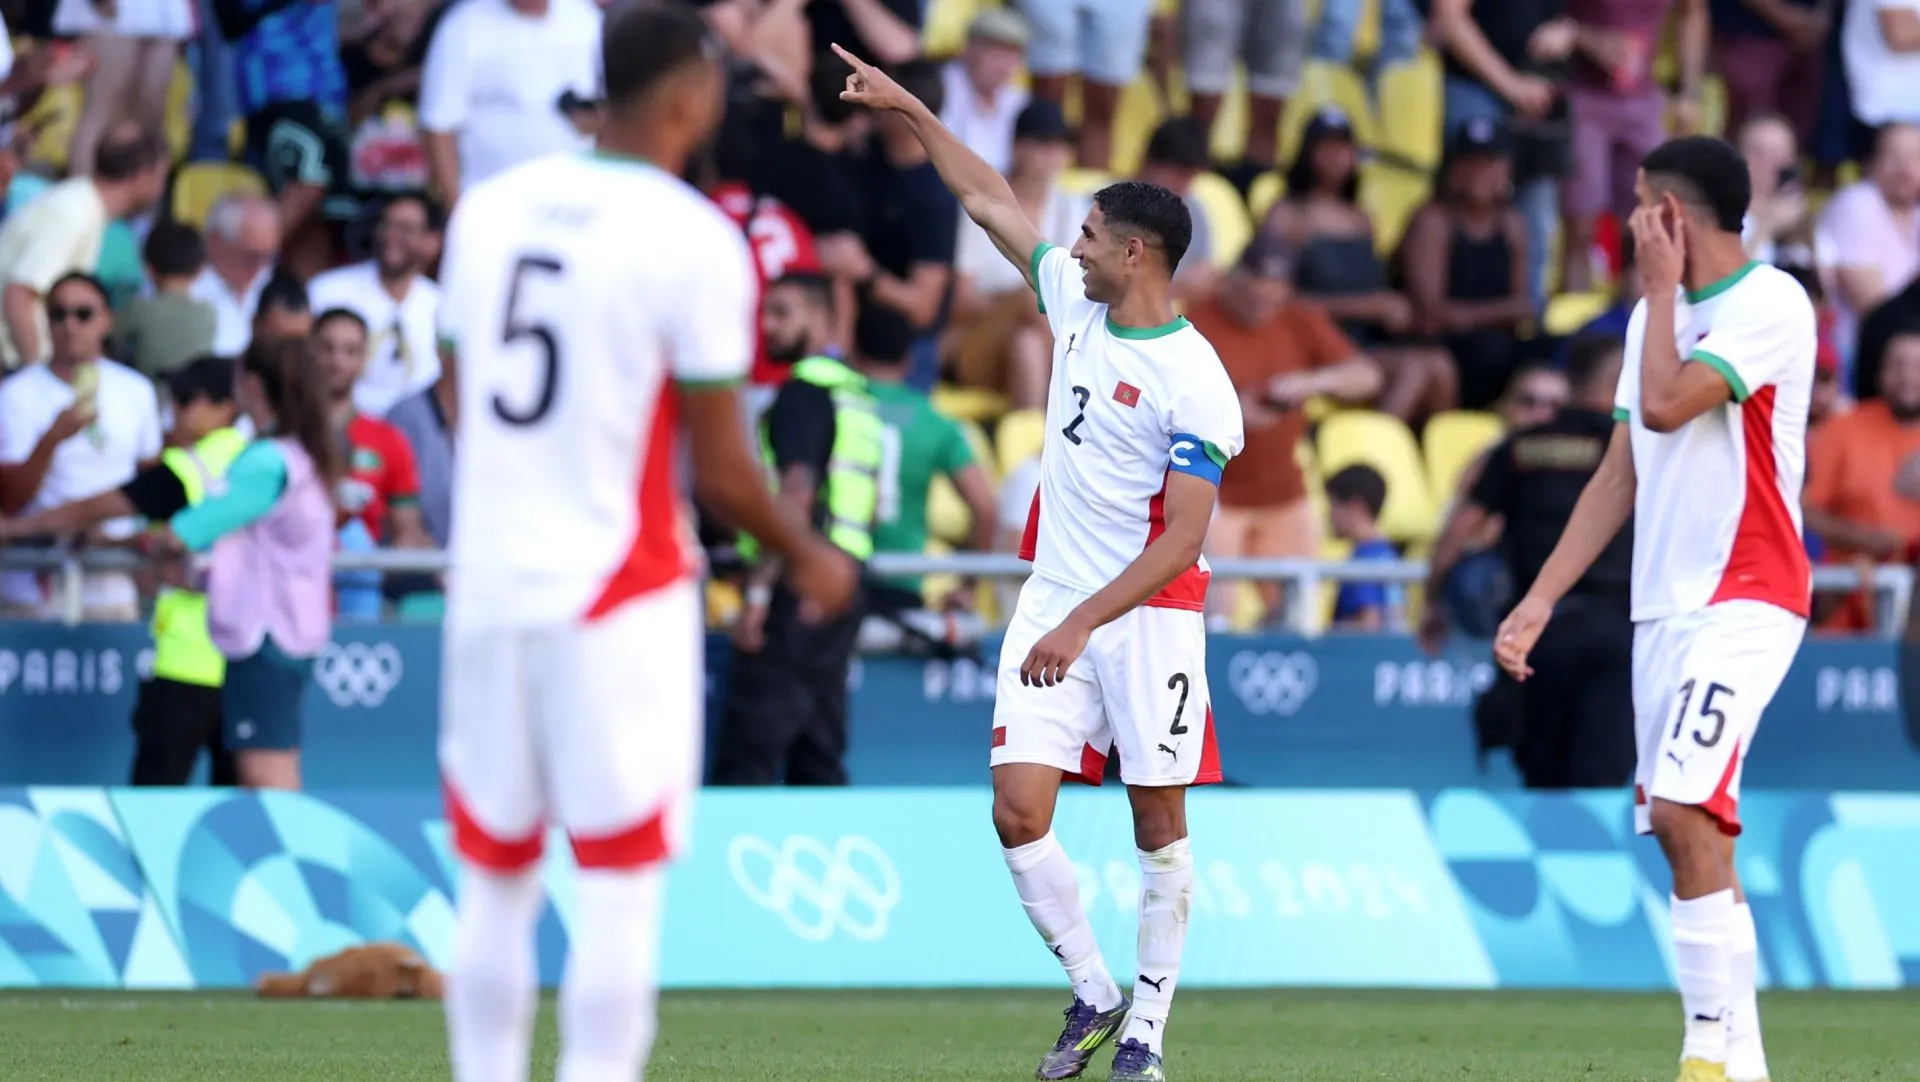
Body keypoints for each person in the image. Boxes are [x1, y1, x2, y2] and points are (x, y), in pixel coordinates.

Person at [431, 6, 857, 1082]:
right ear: (687, 96)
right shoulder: (692, 237)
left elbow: (455, 394)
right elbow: (719, 469)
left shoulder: (487, 210)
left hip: (488, 576)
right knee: (619, 875)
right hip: (616, 588)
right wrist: (809, 553)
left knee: (494, 869)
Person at [836, 42, 1246, 1082]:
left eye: (1094, 233)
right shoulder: (1073, 296)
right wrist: (913, 108)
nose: (1075, 242)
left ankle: (1148, 1032)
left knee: (1159, 820)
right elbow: (985, 196)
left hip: (1146, 619)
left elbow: (1184, 539)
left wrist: (1082, 626)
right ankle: (1094, 988)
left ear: (1141, 255)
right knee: (1017, 809)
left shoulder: (1197, 380)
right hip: (1053, 597)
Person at [1495, 136, 1813, 1082]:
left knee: (1681, 808)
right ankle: (1745, 1068)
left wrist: (1663, 293)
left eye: (1639, 204)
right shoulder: (1649, 321)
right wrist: (1539, 599)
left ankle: (1703, 1054)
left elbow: (1675, 408)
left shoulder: (1771, 302)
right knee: (1698, 830)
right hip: (1661, 607)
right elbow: (1623, 469)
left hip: (1748, 591)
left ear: (1672, 217)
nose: (1628, 222)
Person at [0, 356, 244, 785]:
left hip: (191, 661)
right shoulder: (259, 461)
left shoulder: (195, 467)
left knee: (154, 804)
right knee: (241, 809)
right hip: (249, 659)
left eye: (189, 400)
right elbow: (179, 538)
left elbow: (98, 507)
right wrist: (111, 541)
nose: (179, 412)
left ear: (228, 406)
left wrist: (17, 528)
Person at [1427, 333, 1634, 788]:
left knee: (1542, 773)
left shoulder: (1522, 446)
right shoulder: (1640, 449)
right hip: (1619, 628)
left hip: (1537, 628)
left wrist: (1431, 602)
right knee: (1601, 774)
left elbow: (1461, 527)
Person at [712, 273, 885, 786]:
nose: (767, 325)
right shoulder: (856, 397)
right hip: (843, 587)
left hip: (797, 587)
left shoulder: (802, 395)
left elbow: (796, 497)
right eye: (765, 312)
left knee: (749, 757)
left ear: (821, 319)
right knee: (819, 754)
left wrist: (760, 594)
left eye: (782, 312)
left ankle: (730, 861)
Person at [1184, 232, 1382, 626]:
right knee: (1213, 617)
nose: (1264, 308)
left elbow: (1367, 376)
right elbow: (1170, 405)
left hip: (1282, 493)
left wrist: (1312, 382)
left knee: (1299, 616)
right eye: (1255, 296)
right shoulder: (1196, 321)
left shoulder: (1298, 318)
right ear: (1234, 280)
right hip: (1215, 491)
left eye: (1273, 298)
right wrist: (1234, 412)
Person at [0, 273, 164, 620]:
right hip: (32, 582)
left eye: (83, 314)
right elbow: (10, 500)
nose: (70, 325)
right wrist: (53, 438)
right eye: (58, 314)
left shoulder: (136, 391)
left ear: (108, 319)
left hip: (111, 581)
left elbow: (152, 484)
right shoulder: (16, 394)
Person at [0, 123, 168, 368]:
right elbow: (19, 295)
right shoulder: (74, 212)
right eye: (162, 175)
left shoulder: (82, 206)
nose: (162, 189)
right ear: (144, 175)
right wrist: (38, 378)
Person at [1401, 118, 1537, 410]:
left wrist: (1469, 315)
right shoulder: (1432, 221)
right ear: (1453, 170)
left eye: (1489, 163)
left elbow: (1523, 308)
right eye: (1470, 163)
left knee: (1552, 350)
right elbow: (1430, 313)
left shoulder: (1512, 224)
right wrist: (1498, 313)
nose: (1480, 174)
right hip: (1446, 346)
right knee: (1488, 351)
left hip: (1495, 346)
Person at [307, 193, 444, 417]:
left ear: (432, 241)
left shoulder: (441, 304)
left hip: (418, 435)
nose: (391, 236)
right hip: (343, 428)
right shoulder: (327, 291)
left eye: (405, 228)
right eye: (386, 225)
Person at [113, 221, 219, 379]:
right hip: (193, 398)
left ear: (149, 268)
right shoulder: (208, 313)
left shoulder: (138, 309)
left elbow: (109, 343)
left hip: (148, 396)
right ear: (199, 271)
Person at [1325, 464, 1404, 630]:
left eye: (1333, 505)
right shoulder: (1388, 554)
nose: (1328, 515)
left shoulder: (1364, 560)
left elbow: (1369, 622)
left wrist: (1326, 637)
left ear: (1355, 506)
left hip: (1361, 654)